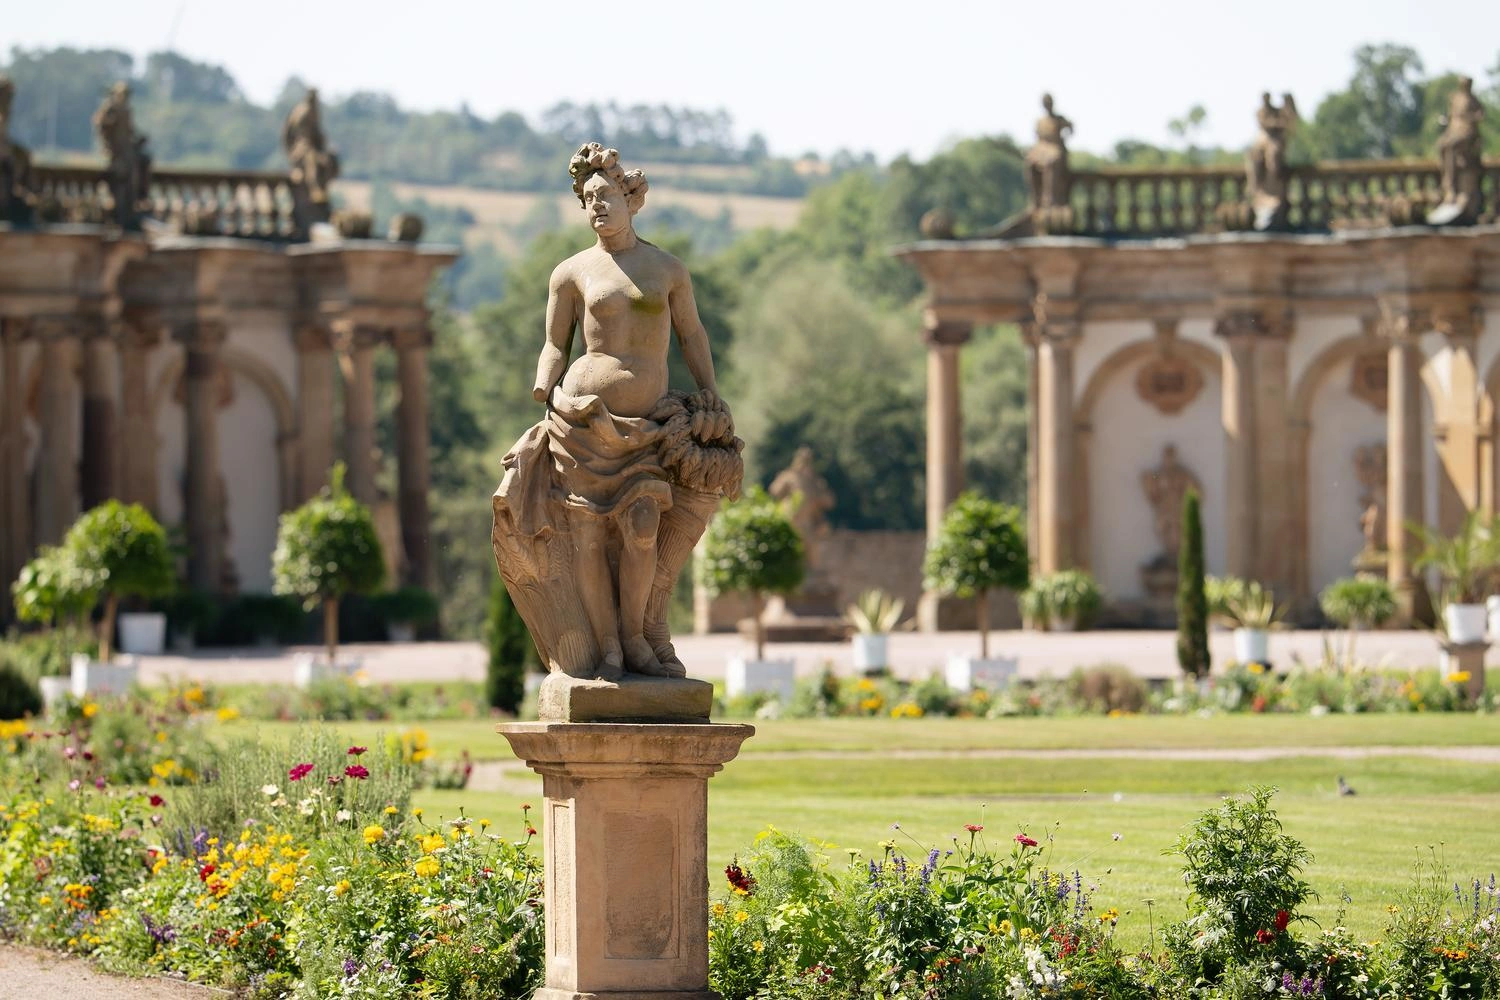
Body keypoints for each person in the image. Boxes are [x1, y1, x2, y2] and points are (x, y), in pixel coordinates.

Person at [511, 142, 735, 677]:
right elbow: (554, 345)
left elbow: (693, 335)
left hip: (649, 426)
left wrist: (711, 393)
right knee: (587, 535)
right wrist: (544, 387)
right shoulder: (571, 273)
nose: (598, 207)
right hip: (584, 422)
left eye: (607, 195)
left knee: (641, 527)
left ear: (631, 199)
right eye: (588, 198)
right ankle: (607, 645)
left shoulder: (667, 269)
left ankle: (636, 637)